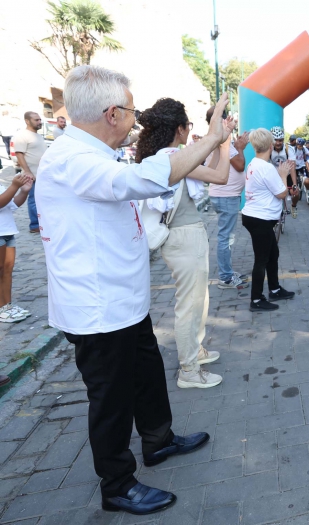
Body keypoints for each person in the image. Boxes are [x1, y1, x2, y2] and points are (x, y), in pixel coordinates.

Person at [37, 65, 230, 515]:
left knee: (145, 372)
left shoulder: (93, 155)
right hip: (99, 308)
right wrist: (213, 138)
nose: (136, 119)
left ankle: (158, 440)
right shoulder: (72, 160)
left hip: (124, 302)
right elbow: (146, 179)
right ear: (111, 113)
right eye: (131, 109)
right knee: (111, 397)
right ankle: (118, 483)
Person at [136, 98, 230, 390]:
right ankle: (188, 370)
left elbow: (210, 171)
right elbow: (220, 176)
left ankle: (196, 351)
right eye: (188, 126)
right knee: (190, 305)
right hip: (183, 237)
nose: (190, 131)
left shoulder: (176, 156)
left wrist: (216, 145)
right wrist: (224, 144)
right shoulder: (172, 157)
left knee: (198, 301)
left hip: (189, 235)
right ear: (179, 128)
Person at [242, 128, 295, 311]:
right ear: (271, 146)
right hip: (260, 219)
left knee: (273, 254)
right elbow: (281, 193)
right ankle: (256, 300)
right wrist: (283, 174)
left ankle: (274, 289)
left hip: (256, 217)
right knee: (262, 259)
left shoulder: (254, 163)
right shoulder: (266, 168)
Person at [207, 105, 251, 290]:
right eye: (229, 120)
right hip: (226, 197)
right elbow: (240, 165)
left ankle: (227, 271)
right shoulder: (222, 140)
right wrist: (240, 148)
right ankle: (225, 277)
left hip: (224, 196)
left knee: (226, 237)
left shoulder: (217, 139)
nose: (232, 123)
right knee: (226, 238)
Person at [0, 173, 33, 323]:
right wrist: (14, 186)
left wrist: (24, 191)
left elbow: (11, 205)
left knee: (7, 270)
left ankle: (7, 306)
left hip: (7, 231)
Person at [12, 112, 47, 234]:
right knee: (33, 199)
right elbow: (19, 153)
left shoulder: (38, 135)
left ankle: (42, 223)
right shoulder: (22, 135)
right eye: (36, 120)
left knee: (41, 199)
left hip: (42, 173)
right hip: (32, 174)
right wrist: (27, 172)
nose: (39, 122)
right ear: (27, 121)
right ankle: (35, 225)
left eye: (40, 120)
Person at [270, 126, 299, 218]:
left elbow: (292, 167)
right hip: (274, 174)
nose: (278, 143)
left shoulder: (288, 149)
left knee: (296, 193)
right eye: (276, 140)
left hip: (287, 174)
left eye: (280, 140)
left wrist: (294, 184)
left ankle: (293, 206)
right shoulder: (268, 148)